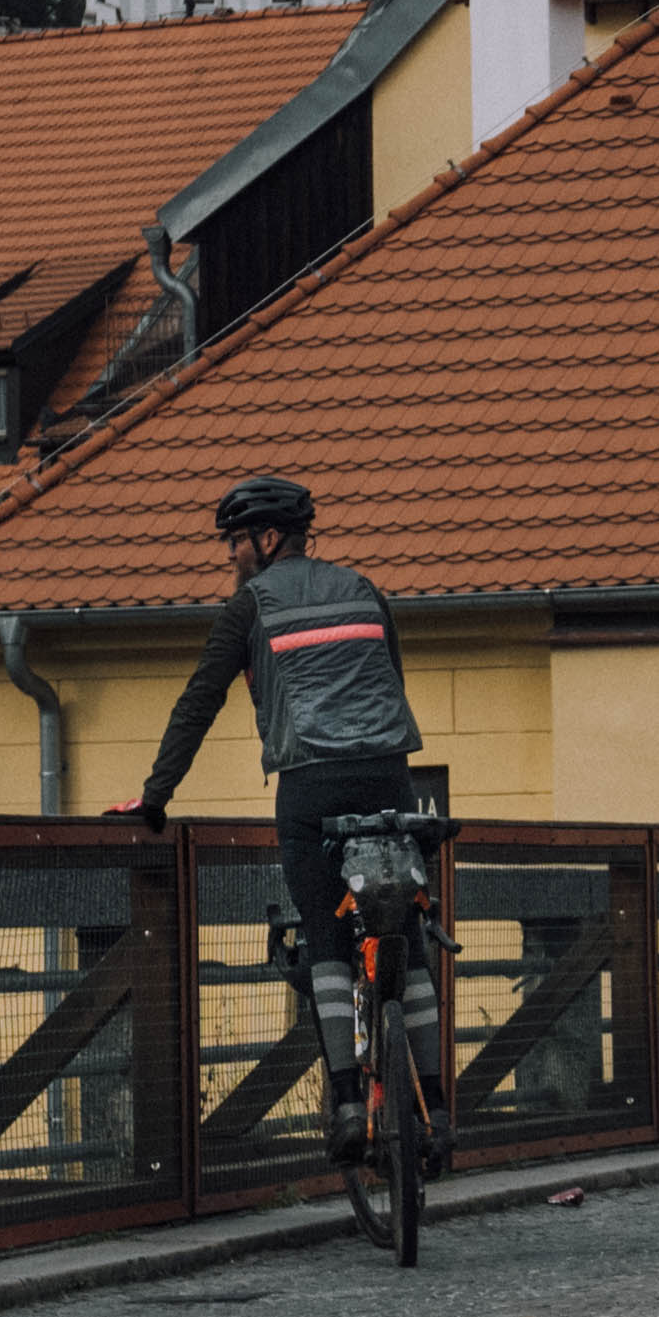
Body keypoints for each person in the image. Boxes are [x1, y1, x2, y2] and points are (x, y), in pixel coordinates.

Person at [108, 476, 432, 1158]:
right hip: (390, 775)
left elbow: (200, 701)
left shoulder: (249, 606)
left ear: (266, 538)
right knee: (412, 942)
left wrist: (156, 795)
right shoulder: (366, 590)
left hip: (311, 785)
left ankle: (347, 1101)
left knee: (326, 936)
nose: (232, 557)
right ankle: (437, 1117)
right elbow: (393, 680)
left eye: (235, 543)